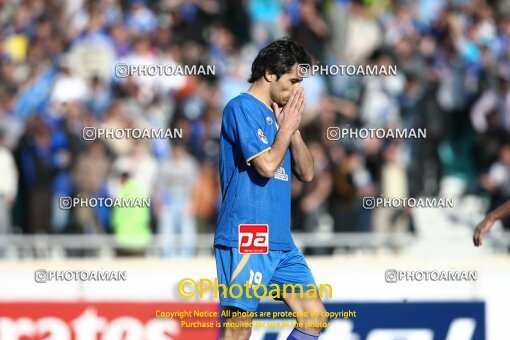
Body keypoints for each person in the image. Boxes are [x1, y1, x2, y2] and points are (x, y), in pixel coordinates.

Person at [214, 37, 327, 340]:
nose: (297, 89)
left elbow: (306, 172)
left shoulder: (282, 118)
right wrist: (285, 129)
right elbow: (265, 166)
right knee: (238, 330)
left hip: (280, 238)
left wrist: (293, 130)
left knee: (314, 317)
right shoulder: (240, 108)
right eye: (293, 80)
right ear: (269, 74)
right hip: (248, 234)